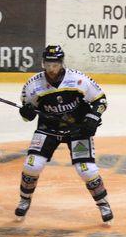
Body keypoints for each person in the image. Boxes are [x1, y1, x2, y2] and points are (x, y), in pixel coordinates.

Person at [14, 45, 113, 224]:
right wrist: (26, 114)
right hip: (48, 128)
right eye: (48, 64)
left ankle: (103, 203)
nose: (52, 69)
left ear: (62, 63)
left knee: (86, 170)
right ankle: (24, 199)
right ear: (43, 63)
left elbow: (101, 100)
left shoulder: (78, 80)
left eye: (56, 64)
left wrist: (92, 117)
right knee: (33, 166)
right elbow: (27, 115)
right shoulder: (32, 85)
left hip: (78, 129)